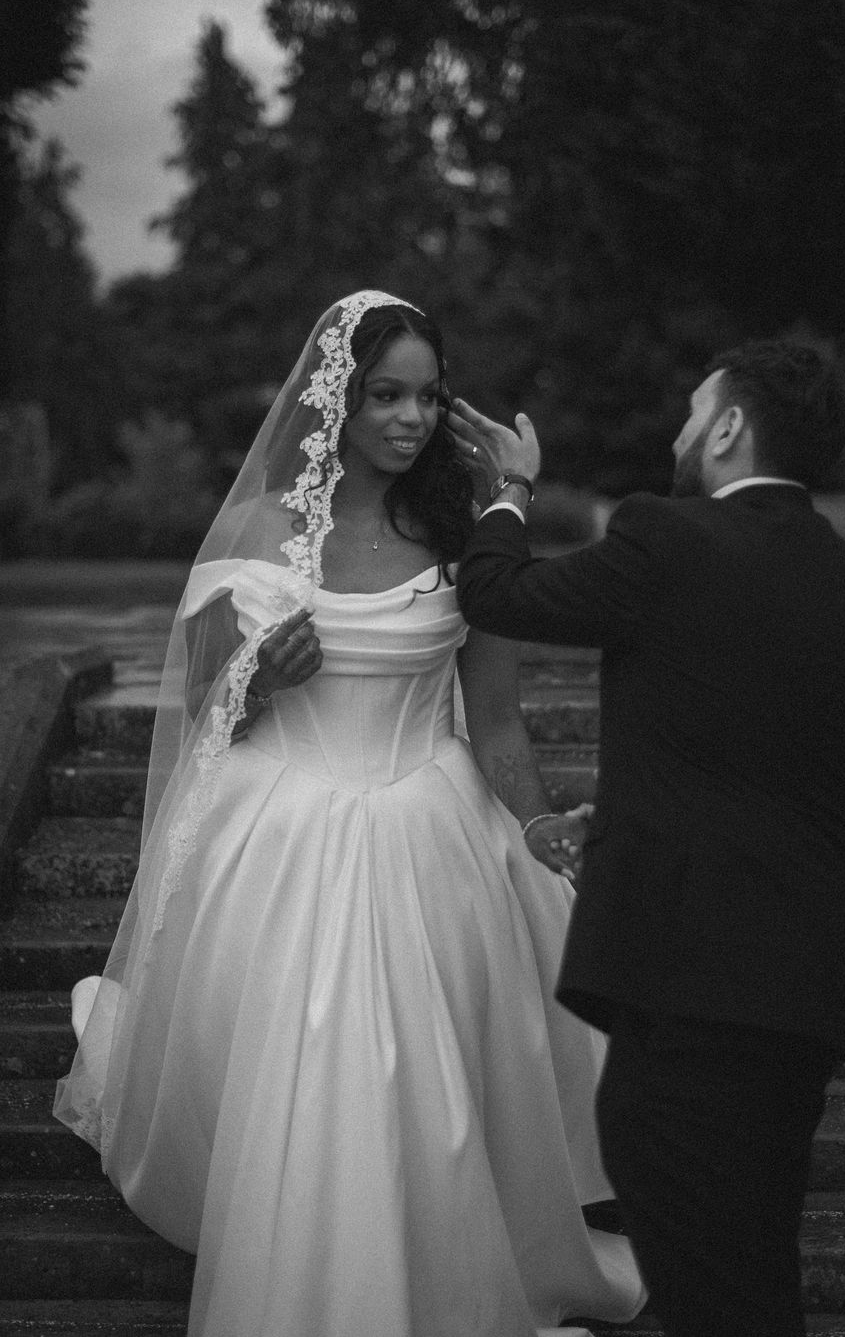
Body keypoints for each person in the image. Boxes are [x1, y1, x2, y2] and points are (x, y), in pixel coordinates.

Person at [53, 291, 644, 1337]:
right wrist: (256, 681)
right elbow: (202, 717)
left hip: (432, 824)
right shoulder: (256, 533)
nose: (411, 418)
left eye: (426, 395)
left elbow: (498, 725)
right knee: (316, 1051)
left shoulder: (463, 539)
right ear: (339, 398)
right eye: (386, 395)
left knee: (425, 1073)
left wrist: (543, 829)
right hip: (282, 828)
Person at [449, 340, 845, 1337]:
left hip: (683, 986)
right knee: (752, 1272)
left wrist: (508, 488)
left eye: (693, 410)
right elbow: (834, 806)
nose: (678, 430)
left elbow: (496, 594)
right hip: (801, 1000)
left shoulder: (668, 537)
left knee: (704, 1286)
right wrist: (625, 821)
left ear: (730, 427)